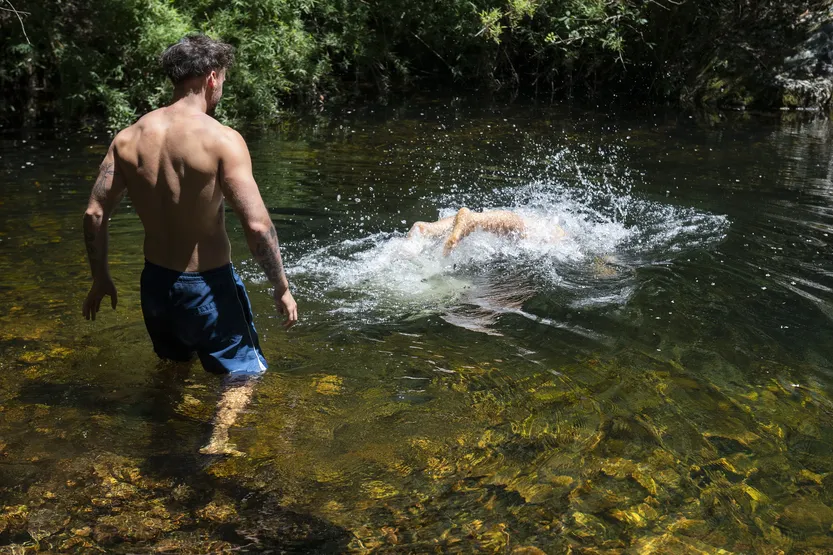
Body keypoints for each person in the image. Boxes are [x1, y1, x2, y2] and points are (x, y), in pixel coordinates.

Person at [81, 34, 297, 456]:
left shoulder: (128, 138)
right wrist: (281, 286)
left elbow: (93, 213)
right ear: (212, 77)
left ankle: (161, 437)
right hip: (208, 286)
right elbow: (257, 226)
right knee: (244, 373)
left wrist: (100, 278)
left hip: (155, 284)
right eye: (224, 79)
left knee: (173, 366)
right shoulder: (221, 139)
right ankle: (218, 440)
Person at [408, 207, 565, 255]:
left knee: (480, 220)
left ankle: (428, 229)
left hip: (492, 215)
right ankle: (472, 219)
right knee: (523, 230)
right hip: (540, 231)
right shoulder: (560, 232)